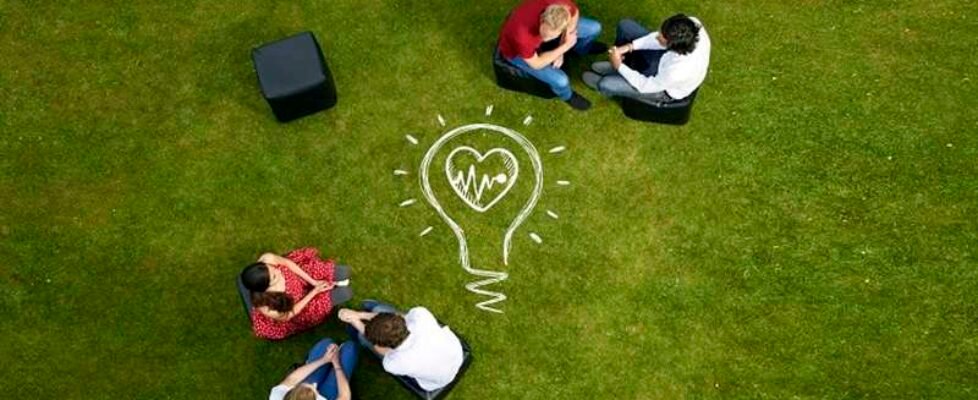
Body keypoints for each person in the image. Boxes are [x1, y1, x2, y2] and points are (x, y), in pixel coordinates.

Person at [497, 0, 607, 111]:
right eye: (544, 33)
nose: (545, 39)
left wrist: (565, 39)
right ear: (542, 19)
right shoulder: (523, 37)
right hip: (515, 52)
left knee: (594, 28)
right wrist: (564, 47)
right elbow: (537, 64)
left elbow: (575, 14)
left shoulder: (561, 6)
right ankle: (567, 96)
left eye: (551, 36)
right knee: (561, 81)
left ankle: (582, 49)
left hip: (544, 37)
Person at [582, 14, 711, 103]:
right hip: (665, 62)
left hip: (663, 88)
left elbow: (645, 85)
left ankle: (603, 84)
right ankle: (621, 64)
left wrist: (619, 66)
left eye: (662, 36)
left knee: (607, 83)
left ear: (673, 46)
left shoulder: (677, 71)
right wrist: (629, 47)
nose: (658, 35)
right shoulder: (692, 24)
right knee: (626, 26)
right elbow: (657, 39)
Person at [338, 301, 463, 392]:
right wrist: (359, 315)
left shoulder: (394, 363)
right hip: (455, 353)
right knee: (378, 308)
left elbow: (379, 349)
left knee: (362, 338)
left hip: (437, 380)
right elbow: (398, 317)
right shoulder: (421, 315)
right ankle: (369, 308)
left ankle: (357, 327)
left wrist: (355, 320)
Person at [240, 247, 351, 340]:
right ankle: (328, 288)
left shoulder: (267, 259)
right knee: (346, 293)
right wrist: (314, 291)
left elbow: (287, 263)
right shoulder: (267, 307)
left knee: (344, 272)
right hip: (297, 306)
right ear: (266, 288)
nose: (278, 271)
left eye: (272, 268)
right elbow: (289, 314)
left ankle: (328, 283)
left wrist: (312, 281)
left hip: (297, 278)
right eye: (274, 277)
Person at [268, 338, 358, 400]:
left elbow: (292, 379)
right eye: (314, 389)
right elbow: (345, 396)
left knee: (326, 343)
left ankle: (327, 362)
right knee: (350, 348)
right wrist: (337, 365)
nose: (315, 385)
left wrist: (324, 360)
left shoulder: (276, 397)